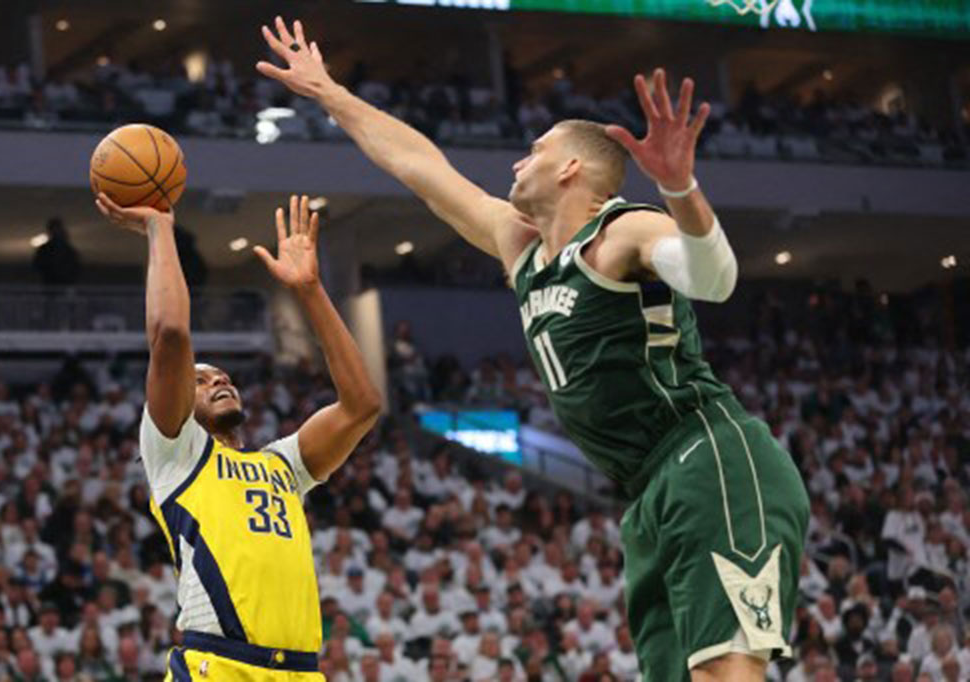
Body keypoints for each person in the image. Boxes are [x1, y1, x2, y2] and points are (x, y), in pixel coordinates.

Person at [257, 18, 809, 682]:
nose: (519, 160)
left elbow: (714, 280)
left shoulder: (625, 230)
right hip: (647, 490)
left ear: (572, 167)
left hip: (708, 455)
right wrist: (328, 92)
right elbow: (420, 167)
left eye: (535, 148)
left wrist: (681, 191)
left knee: (726, 673)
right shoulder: (523, 247)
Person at [94, 192, 381, 680]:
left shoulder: (281, 466)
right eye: (201, 380)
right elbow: (169, 333)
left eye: (223, 376)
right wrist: (160, 228)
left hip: (302, 671)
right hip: (219, 666)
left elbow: (362, 405)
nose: (218, 381)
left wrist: (310, 291)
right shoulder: (176, 453)